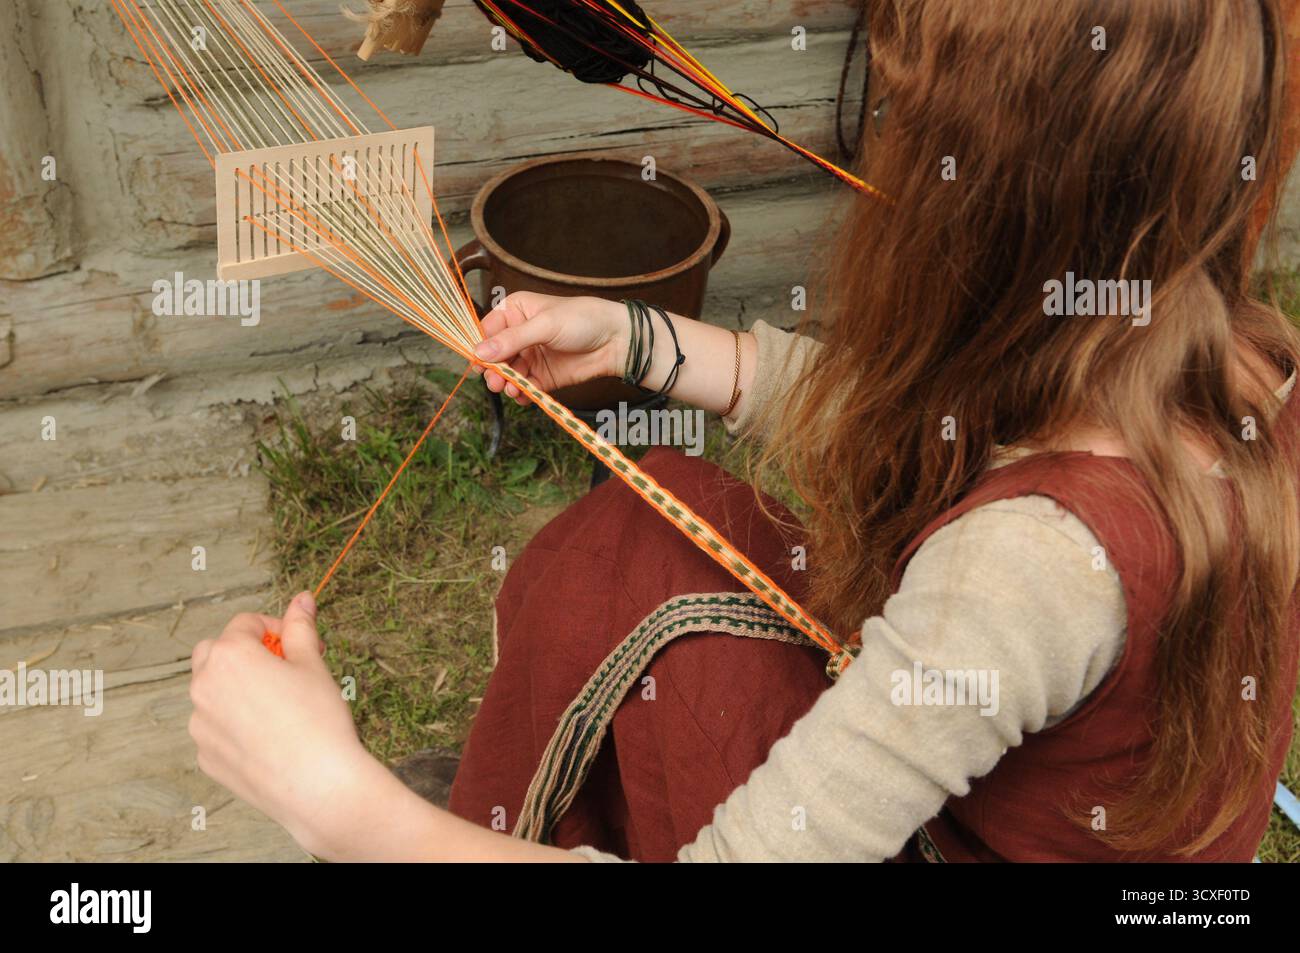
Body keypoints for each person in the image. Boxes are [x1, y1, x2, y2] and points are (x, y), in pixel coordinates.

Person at [188, 0, 1300, 861]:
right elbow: (928, 419)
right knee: (668, 513)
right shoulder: (1228, 352)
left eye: (911, 132)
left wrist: (335, 801)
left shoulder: (1027, 570)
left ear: (988, 205)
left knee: (629, 572)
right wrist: (641, 341)